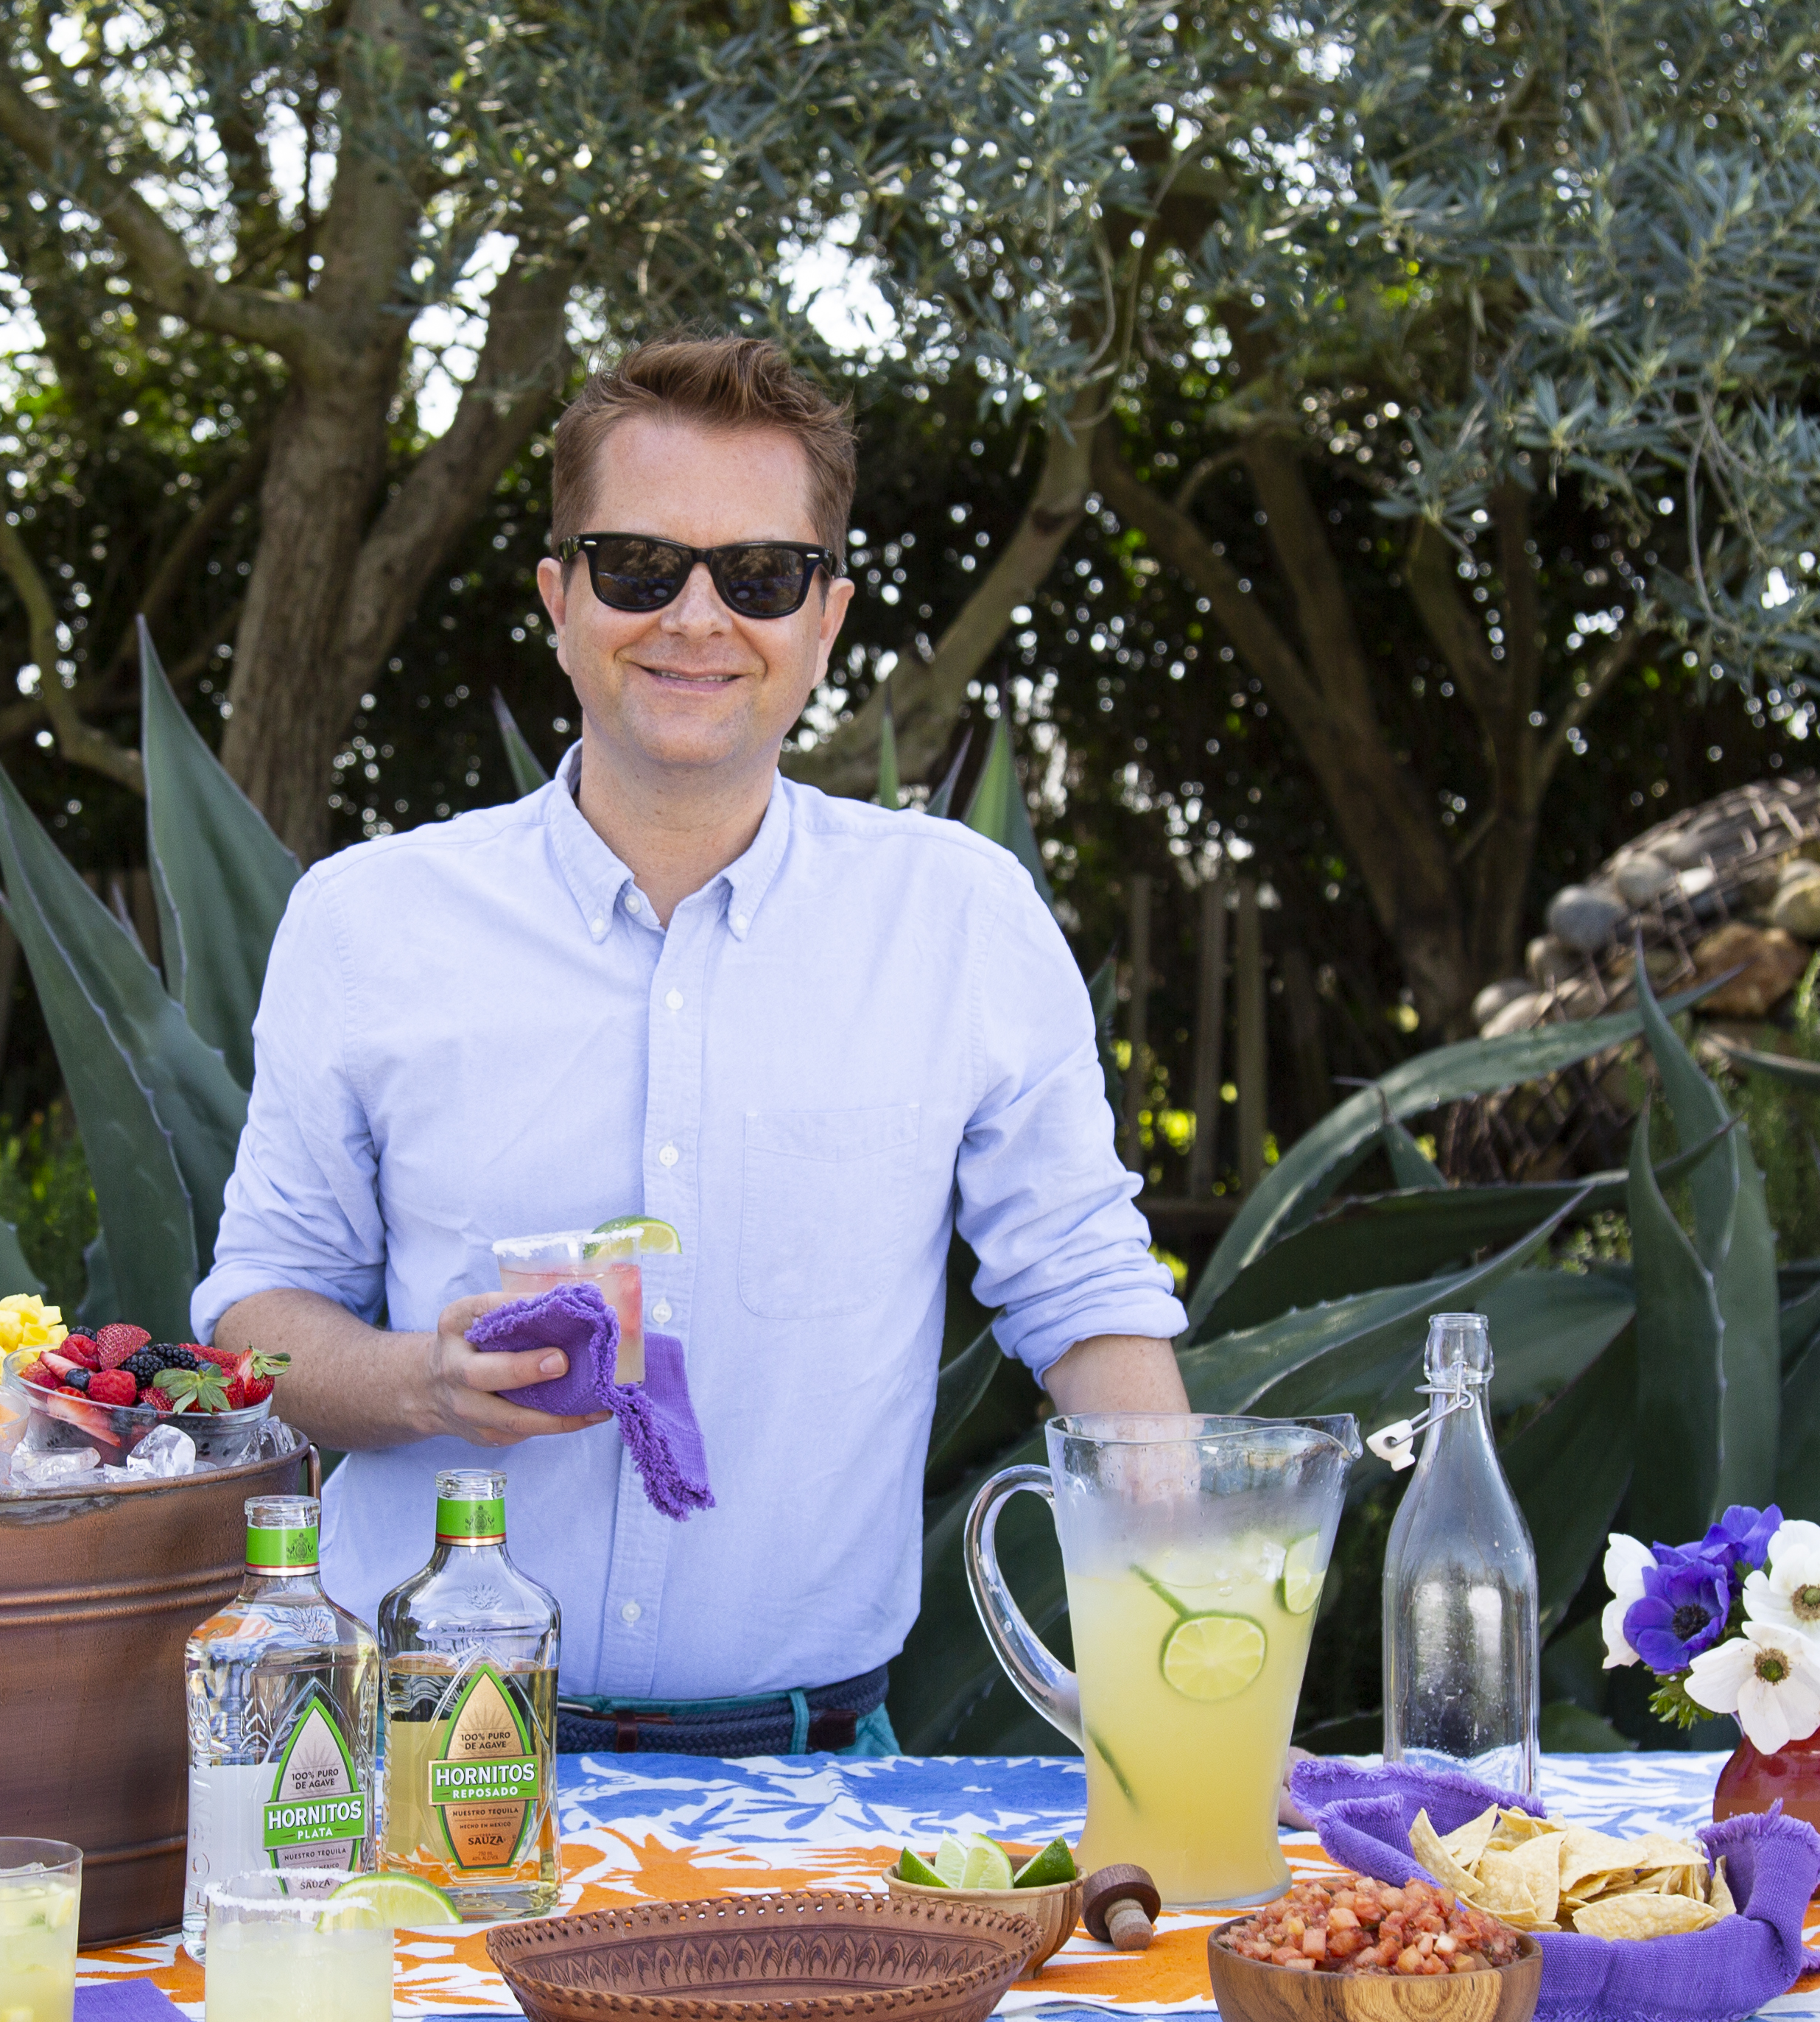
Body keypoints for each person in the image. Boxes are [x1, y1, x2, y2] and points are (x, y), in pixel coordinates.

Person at [197, 335, 1191, 1758]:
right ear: (560, 600)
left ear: (826, 619)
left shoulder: (962, 920)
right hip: (412, 1759)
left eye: (761, 575)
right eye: (639, 567)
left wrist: (1190, 1649)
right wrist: (426, 1382)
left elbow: (1086, 1298)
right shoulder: (367, 923)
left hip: (815, 1786)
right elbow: (256, 1318)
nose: (697, 616)